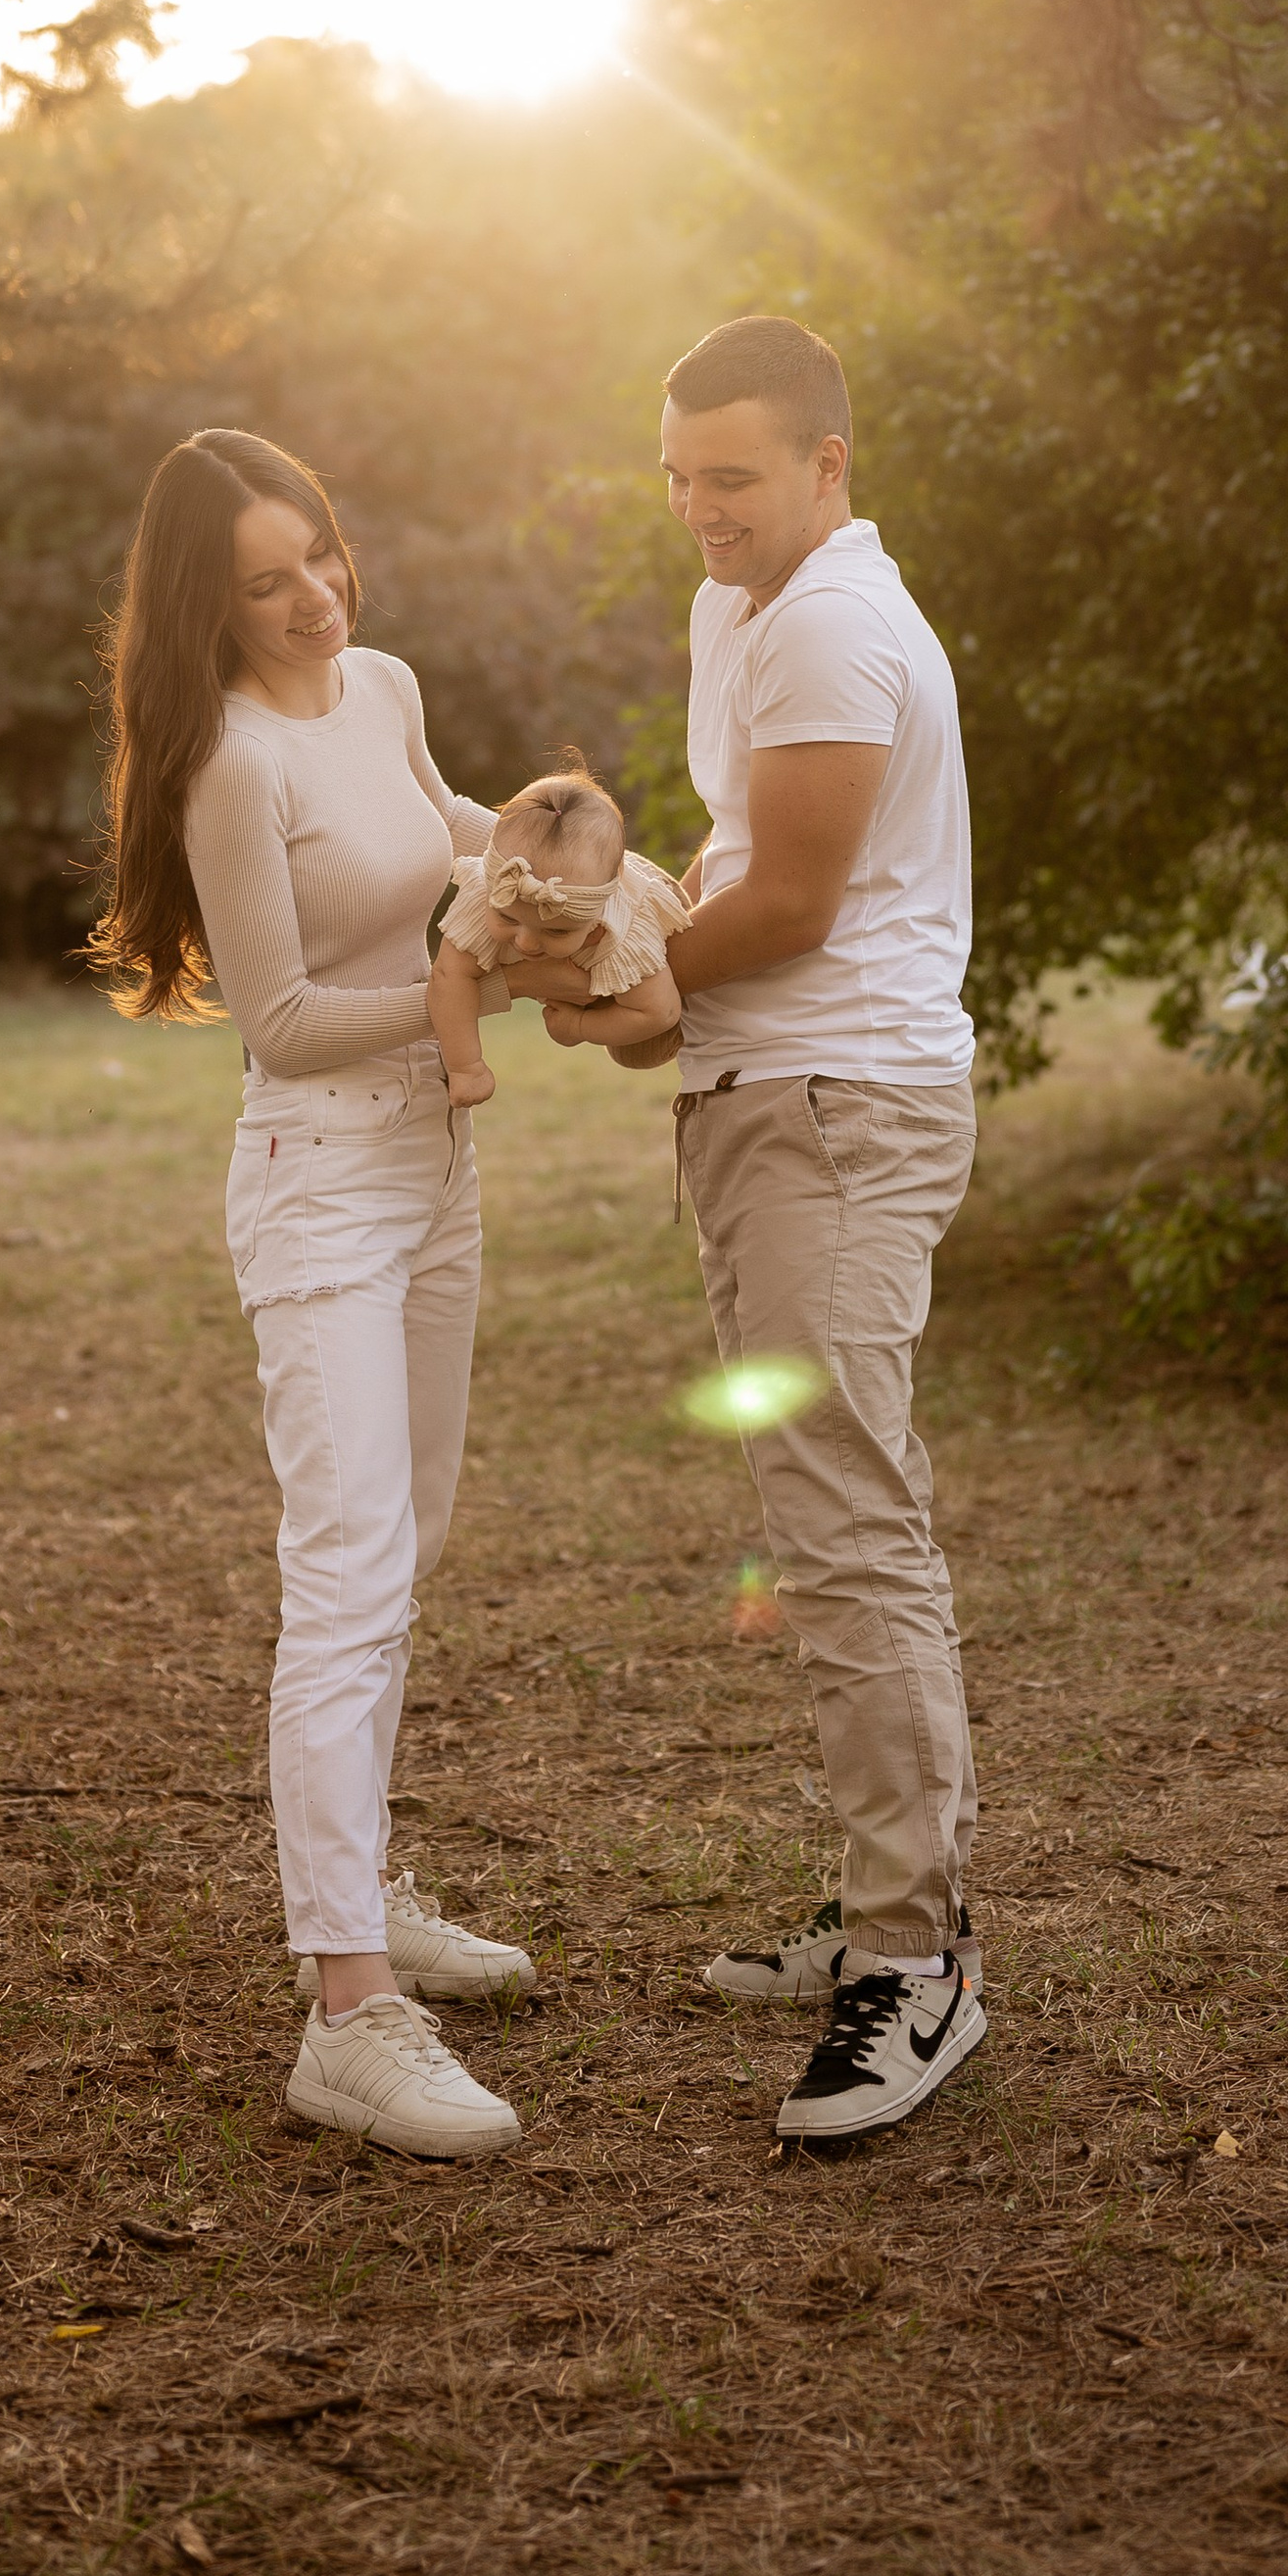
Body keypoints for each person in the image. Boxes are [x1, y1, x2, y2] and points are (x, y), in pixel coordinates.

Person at [531, 317, 985, 2146]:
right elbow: (739, 856)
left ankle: (916, 1965)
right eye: (676, 476)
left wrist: (614, 973)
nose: (699, 509)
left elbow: (791, 903)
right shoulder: (743, 611)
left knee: (852, 1524)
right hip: (762, 1105)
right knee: (821, 1515)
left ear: (825, 467)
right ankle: (883, 1896)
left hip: (836, 1112)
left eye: (733, 475)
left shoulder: (828, 622)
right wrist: (598, 915)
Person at [91, 425, 535, 2163]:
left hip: (434, 1169)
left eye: (323, 556)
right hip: (320, 1184)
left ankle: (365, 1878)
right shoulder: (228, 763)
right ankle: (347, 2008)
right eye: (267, 580)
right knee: (345, 1566)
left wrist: (583, 869)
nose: (312, 597)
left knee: (409, 1534)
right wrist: (459, 981)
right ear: (212, 600)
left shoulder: (387, 688)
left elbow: (457, 834)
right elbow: (276, 1020)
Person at [424, 766, 691, 1107]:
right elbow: (448, 976)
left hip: (651, 954)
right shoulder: (486, 896)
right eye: (507, 918)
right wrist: (466, 1066)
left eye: (555, 930)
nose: (526, 943)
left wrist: (580, 1026)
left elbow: (660, 1011)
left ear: (595, 918)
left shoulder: (620, 929)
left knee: (642, 1053)